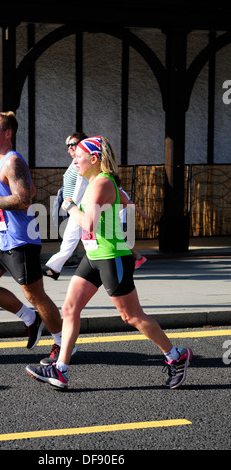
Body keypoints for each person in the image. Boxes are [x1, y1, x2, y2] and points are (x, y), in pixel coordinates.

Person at [26, 136, 193, 390]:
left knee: (131, 316)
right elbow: (122, 201)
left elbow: (88, 223)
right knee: (70, 309)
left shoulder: (102, 183)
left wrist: (69, 205)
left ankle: (175, 355)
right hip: (93, 257)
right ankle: (60, 370)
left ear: (94, 159)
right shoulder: (98, 182)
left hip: (112, 258)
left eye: (78, 156)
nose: (74, 160)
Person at [0, 111, 64, 352]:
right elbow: (30, 189)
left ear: (8, 133)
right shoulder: (2, 164)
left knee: (36, 296)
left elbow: (24, 201)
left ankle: (63, 345)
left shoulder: (13, 161)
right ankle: (31, 320)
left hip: (21, 240)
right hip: (3, 239)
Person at [42, 132, 88, 281]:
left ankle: (54, 268)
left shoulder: (83, 162)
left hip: (80, 206)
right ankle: (54, 268)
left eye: (72, 145)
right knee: (73, 238)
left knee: (74, 237)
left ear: (82, 145)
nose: (69, 148)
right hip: (72, 206)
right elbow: (71, 181)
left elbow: (83, 184)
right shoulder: (75, 162)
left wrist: (72, 203)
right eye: (68, 146)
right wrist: (62, 191)